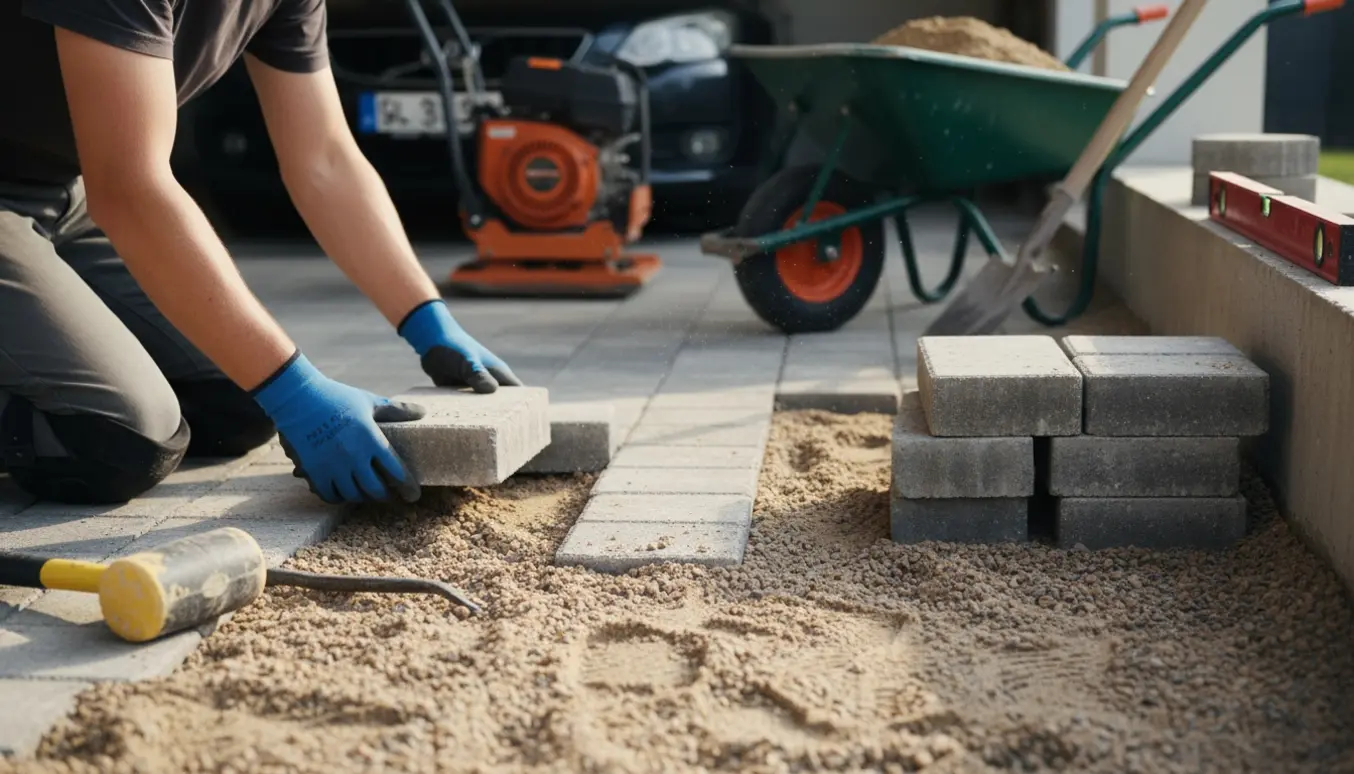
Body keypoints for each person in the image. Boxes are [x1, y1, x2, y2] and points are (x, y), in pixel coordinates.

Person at [0, 0, 520, 507]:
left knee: (237, 405)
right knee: (119, 444)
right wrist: (296, 391)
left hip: (65, 190)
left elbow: (325, 159)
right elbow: (130, 189)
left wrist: (427, 321)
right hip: (60, 191)